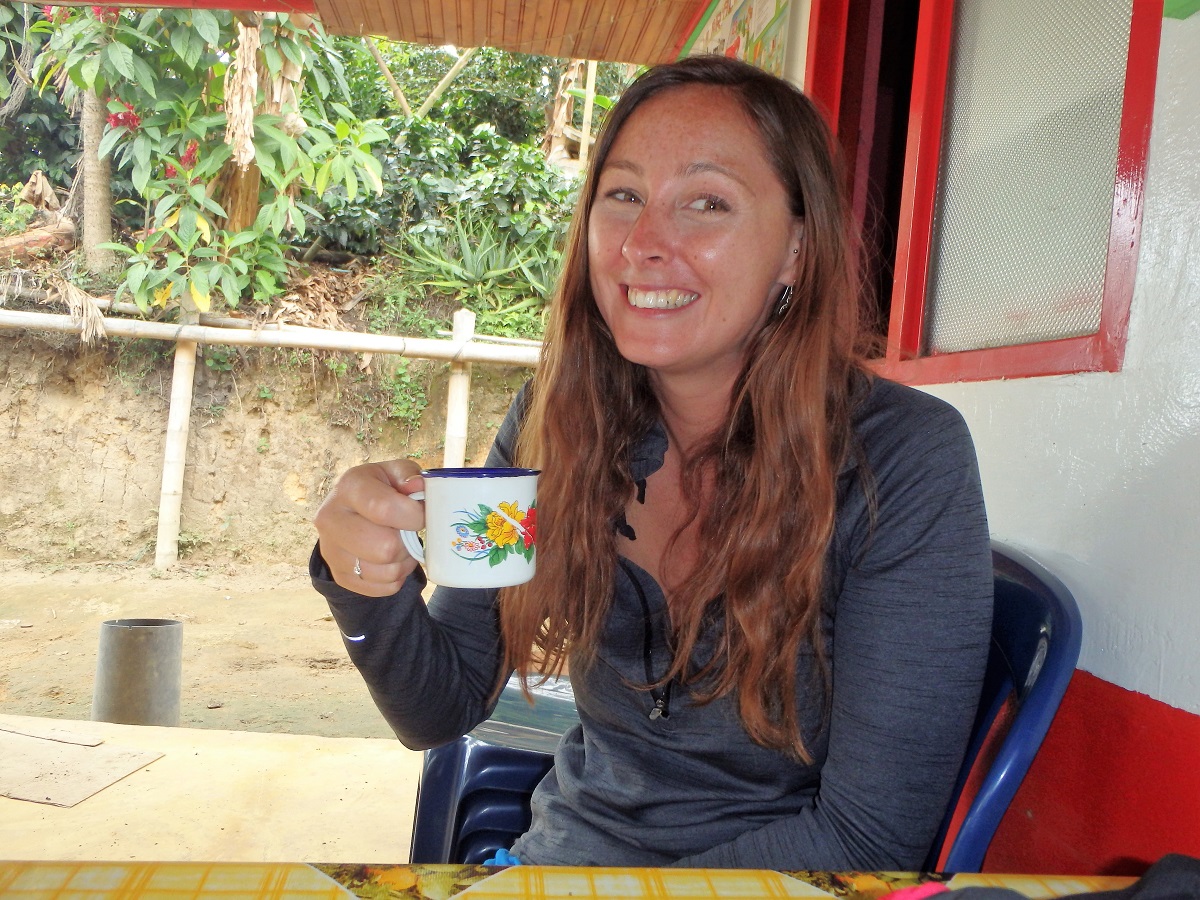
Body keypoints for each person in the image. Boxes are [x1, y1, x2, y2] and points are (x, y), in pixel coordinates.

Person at [312, 55, 993, 871]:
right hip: (563, 862)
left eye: (707, 203)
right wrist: (366, 583)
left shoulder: (903, 460)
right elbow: (439, 706)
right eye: (623, 196)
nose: (643, 243)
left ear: (796, 250)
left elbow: (868, 840)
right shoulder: (555, 424)